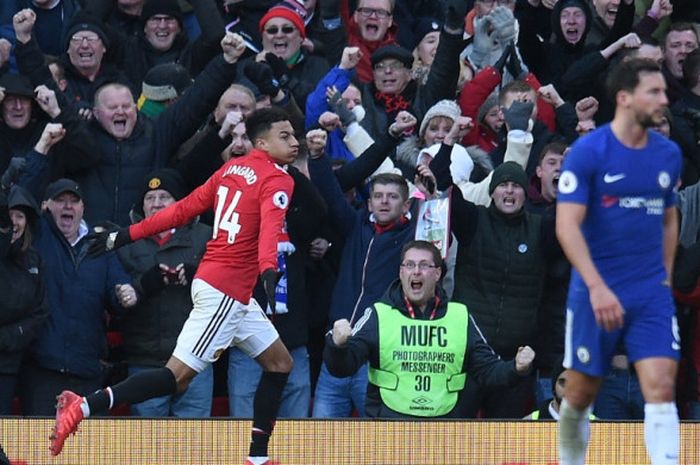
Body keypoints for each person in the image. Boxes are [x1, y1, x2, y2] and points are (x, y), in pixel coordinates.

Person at [49, 107, 299, 465]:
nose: (294, 142)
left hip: (221, 284)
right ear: (262, 142)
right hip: (226, 293)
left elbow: (181, 210)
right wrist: (269, 269)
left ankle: (257, 458)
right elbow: (271, 229)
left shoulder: (231, 169)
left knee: (279, 363)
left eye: (293, 135)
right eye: (285, 136)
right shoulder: (278, 180)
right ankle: (84, 405)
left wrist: (124, 235)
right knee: (176, 377)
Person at [555, 58, 682, 465]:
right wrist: (596, 286)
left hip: (649, 293)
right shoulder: (589, 152)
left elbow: (668, 216)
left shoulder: (668, 154)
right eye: (655, 92)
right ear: (625, 98)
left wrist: (664, 278)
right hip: (595, 290)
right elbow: (567, 227)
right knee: (579, 394)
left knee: (661, 386)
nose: (664, 99)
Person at [325, 239, 535, 418]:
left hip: (443, 431)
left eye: (424, 265)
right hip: (390, 429)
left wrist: (516, 368)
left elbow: (487, 371)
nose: (416, 271)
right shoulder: (378, 314)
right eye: (409, 265)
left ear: (437, 274)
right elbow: (343, 367)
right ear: (400, 272)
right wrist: (337, 344)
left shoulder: (459, 316)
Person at [18, 178, 134, 416]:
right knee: (39, 446)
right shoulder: (38, 236)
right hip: (42, 369)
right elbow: (19, 194)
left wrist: (125, 294)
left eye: (74, 201)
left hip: (87, 370)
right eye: (60, 200)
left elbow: (118, 293)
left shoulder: (100, 246)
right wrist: (43, 148)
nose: (68, 206)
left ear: (83, 208)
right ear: (46, 207)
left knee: (85, 449)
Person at [116, 168, 214, 418]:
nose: (156, 204)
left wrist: (198, 276)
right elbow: (113, 299)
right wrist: (142, 286)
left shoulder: (205, 236)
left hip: (195, 360)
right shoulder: (126, 240)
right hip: (146, 360)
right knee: (149, 447)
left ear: (180, 201)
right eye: (150, 198)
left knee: (194, 448)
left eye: (164, 196)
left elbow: (227, 291)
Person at [0, 186, 48, 414]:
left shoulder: (34, 260)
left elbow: (40, 312)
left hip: (10, 365)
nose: (14, 222)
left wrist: (9, 336)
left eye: (20, 216)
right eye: (9, 215)